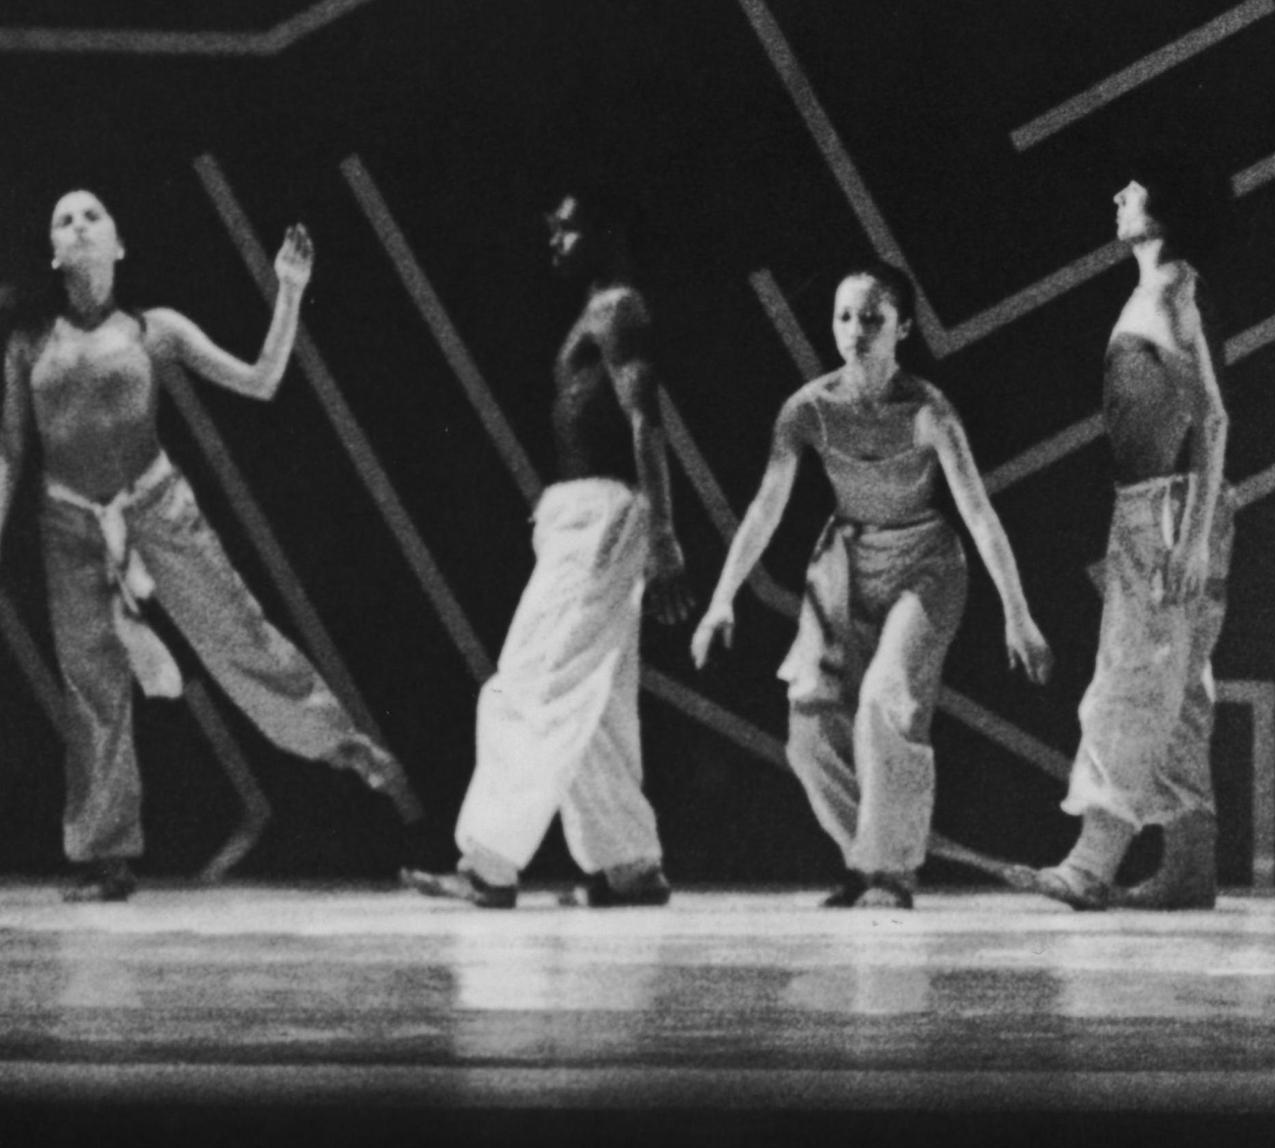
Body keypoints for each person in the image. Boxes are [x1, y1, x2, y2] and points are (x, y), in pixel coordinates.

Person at [0, 193, 414, 901]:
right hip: (68, 526)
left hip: (158, 510)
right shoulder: (28, 342)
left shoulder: (153, 329)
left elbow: (262, 378)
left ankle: (342, 743)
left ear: (119, 244)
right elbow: (10, 452)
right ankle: (105, 857)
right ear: (54, 253)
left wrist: (288, 289)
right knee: (93, 689)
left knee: (239, 637)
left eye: (93, 214)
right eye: (63, 220)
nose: (77, 225)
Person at [690, 263, 1052, 904]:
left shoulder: (929, 410)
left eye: (873, 318)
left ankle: (890, 869)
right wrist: (721, 598)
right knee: (808, 727)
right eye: (845, 317)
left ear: (904, 327)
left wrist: (1016, 613)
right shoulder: (807, 409)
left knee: (887, 700)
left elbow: (977, 513)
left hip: (926, 563)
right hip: (845, 560)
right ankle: (870, 857)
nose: (856, 330)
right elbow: (765, 507)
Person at [407, 187, 693, 908]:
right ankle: (630, 863)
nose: (554, 242)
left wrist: (661, 534)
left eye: (565, 229)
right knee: (592, 701)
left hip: (603, 518)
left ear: (604, 229)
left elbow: (645, 422)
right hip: (586, 513)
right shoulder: (603, 308)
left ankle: (489, 863)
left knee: (531, 681)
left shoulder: (618, 307)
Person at [1013, 167, 1233, 911]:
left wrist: (1190, 537)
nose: (1117, 197)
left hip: (1168, 506)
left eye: (1132, 189)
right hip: (1164, 504)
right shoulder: (1165, 287)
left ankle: (1090, 863)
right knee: (1182, 690)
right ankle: (1191, 864)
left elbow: (1213, 418)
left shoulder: (1169, 289)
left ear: (1163, 206)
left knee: (1134, 680)